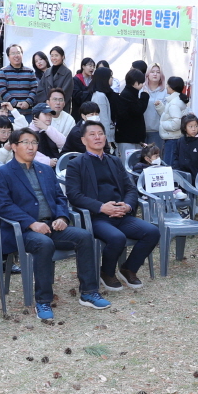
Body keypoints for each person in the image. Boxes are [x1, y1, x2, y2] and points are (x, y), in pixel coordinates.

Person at [0, 127, 109, 320]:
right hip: (23, 231)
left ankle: (88, 292)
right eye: (25, 142)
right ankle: (43, 301)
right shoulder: (3, 173)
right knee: (44, 244)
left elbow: (60, 197)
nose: (31, 147)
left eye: (34, 143)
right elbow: (3, 206)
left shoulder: (45, 169)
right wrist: (31, 223)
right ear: (13, 146)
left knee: (84, 236)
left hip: (52, 225)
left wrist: (61, 218)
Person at [65, 120, 160, 290]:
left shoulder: (114, 161)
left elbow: (130, 188)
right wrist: (101, 207)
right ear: (83, 140)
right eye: (92, 134)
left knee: (152, 232)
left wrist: (128, 206)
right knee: (117, 238)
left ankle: (128, 269)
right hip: (97, 217)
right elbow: (74, 195)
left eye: (100, 133)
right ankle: (107, 272)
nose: (97, 137)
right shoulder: (75, 164)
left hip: (121, 214)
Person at [112, 69, 151, 164]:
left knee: (134, 165)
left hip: (132, 139)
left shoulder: (130, 93)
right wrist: (145, 96)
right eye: (142, 83)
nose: (143, 85)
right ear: (136, 83)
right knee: (128, 166)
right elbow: (138, 110)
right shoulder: (127, 95)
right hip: (127, 140)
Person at [0, 45, 39, 113]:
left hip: (28, 112)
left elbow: (35, 88)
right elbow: (1, 89)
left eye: (18, 53)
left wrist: (28, 102)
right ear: (8, 57)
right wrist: (15, 103)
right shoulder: (3, 71)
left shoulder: (30, 71)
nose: (16, 55)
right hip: (10, 112)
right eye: (13, 53)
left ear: (22, 54)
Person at [157, 77, 187, 165]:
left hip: (173, 139)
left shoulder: (174, 103)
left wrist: (162, 124)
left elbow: (176, 123)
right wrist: (160, 107)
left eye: (167, 85)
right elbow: (169, 116)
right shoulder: (175, 101)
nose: (166, 87)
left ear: (171, 87)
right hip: (174, 138)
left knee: (169, 166)